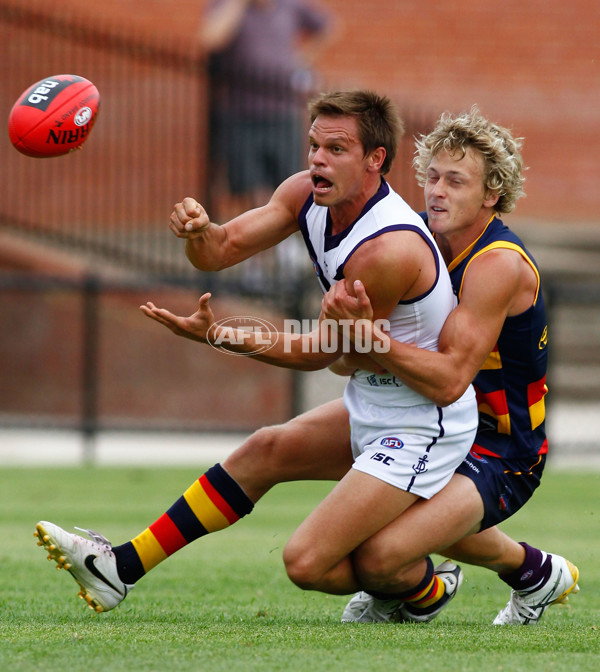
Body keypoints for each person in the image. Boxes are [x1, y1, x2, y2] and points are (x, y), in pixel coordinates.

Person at [34, 89, 479, 619]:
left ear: (374, 160)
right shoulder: (304, 195)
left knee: (308, 563)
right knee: (263, 451)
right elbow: (220, 250)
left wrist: (220, 335)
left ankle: (425, 588)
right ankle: (119, 569)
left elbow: (322, 354)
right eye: (314, 145)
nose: (317, 158)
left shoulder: (386, 249)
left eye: (336, 149)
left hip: (423, 421)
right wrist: (198, 232)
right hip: (373, 398)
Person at [320, 106, 580, 625]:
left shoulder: (498, 264)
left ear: (490, 194)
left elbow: (449, 377)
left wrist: (368, 338)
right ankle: (534, 573)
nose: (436, 190)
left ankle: (424, 587)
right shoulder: (414, 239)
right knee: (273, 447)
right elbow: (347, 359)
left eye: (455, 181)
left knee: (378, 557)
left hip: (503, 448)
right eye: (432, 177)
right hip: (430, 422)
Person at [199, 0, 332, 220]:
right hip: (241, 111)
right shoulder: (228, 6)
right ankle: (260, 243)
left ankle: (283, 240)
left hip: (283, 110)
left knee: (289, 179)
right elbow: (210, 39)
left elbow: (327, 26)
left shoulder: (290, 6)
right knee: (250, 184)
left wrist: (301, 60)